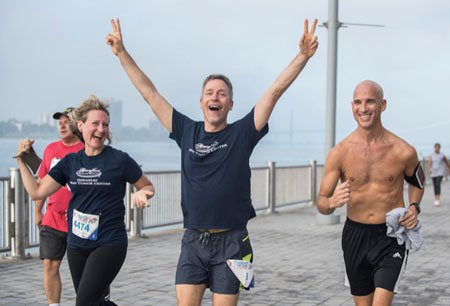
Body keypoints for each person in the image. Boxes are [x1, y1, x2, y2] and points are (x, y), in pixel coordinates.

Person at [107, 17, 318, 306]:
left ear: (230, 104)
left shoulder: (242, 133)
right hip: (193, 242)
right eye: (209, 93)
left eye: (222, 93)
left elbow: (274, 92)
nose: (215, 97)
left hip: (232, 242)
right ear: (201, 102)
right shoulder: (186, 130)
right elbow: (149, 94)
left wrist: (303, 56)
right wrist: (121, 52)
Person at [16, 96, 155, 306]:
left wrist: (143, 193)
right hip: (77, 244)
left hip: (109, 242)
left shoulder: (120, 160)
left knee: (84, 303)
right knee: (95, 302)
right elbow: (37, 192)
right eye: (95, 124)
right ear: (81, 126)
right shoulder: (70, 162)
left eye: (105, 125)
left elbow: (147, 185)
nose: (101, 129)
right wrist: (20, 161)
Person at [316, 80, 425, 306]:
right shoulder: (340, 152)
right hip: (355, 236)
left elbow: (418, 182)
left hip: (390, 236)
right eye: (358, 102)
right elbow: (321, 203)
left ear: (382, 105)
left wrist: (414, 207)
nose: (363, 108)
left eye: (370, 101)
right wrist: (332, 202)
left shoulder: (403, 150)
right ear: (352, 106)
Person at [29, 107, 84, 306]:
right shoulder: (51, 149)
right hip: (52, 217)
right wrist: (37, 211)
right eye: (59, 122)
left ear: (78, 124)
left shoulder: (85, 149)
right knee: (50, 265)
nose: (61, 125)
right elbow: (42, 182)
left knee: (84, 269)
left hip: (80, 220)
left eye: (66, 121)